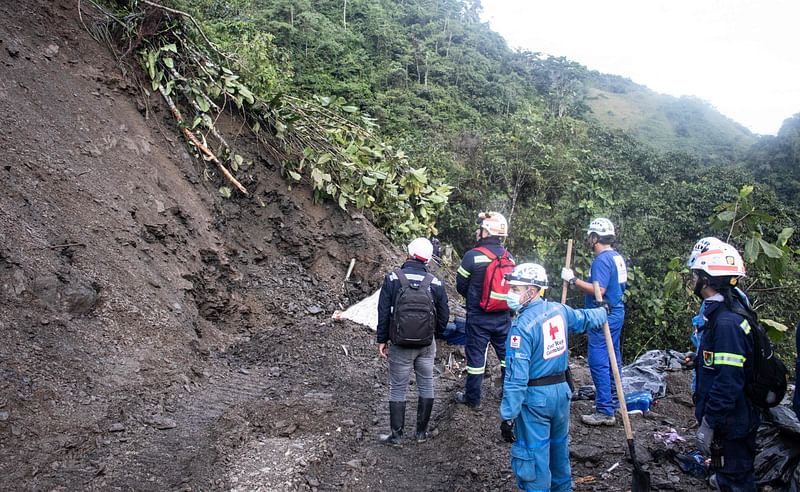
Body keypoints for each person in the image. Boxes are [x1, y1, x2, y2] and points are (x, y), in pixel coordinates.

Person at [499, 263, 608, 492]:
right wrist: (603, 311)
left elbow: (516, 379)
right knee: (559, 455)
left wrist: (508, 416)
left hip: (535, 399)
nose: (510, 293)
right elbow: (583, 318)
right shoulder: (559, 310)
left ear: (532, 290)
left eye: (516, 289)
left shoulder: (522, 327)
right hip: (561, 395)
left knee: (534, 458)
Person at [688, 240, 758, 491]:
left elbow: (729, 381)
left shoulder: (727, 323)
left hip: (732, 422)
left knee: (736, 480)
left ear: (707, 279)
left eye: (696, 275)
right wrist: (698, 360)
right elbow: (722, 362)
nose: (693, 280)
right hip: (729, 421)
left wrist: (709, 422)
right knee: (726, 473)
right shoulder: (722, 312)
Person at [376, 237, 449, 445]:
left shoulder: (392, 278)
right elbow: (444, 315)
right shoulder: (435, 282)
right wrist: (434, 334)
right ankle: (421, 434)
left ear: (408, 253)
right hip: (426, 344)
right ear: (427, 259)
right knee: (426, 383)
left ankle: (397, 436)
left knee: (397, 387)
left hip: (400, 344)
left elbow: (383, 312)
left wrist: (382, 339)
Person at [561, 217, 628, 426]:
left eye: (591, 236)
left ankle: (604, 410)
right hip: (616, 311)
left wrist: (573, 280)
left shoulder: (602, 259)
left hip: (603, 315)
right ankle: (614, 401)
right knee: (612, 357)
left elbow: (600, 290)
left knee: (599, 360)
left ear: (595, 237)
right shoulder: (617, 257)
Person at [455, 211, 513, 408]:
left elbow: (460, 286)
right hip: (504, 316)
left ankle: (473, 399)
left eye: (480, 229)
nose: (477, 232)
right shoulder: (509, 257)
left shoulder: (472, 256)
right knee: (506, 357)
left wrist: (473, 297)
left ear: (486, 232)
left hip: (479, 316)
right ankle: (508, 394)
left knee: (476, 358)